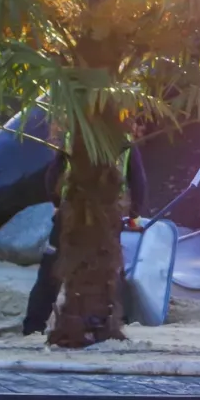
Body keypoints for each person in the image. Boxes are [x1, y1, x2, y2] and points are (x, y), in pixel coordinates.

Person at [21, 122, 149, 336]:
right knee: (109, 268)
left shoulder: (75, 134)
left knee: (52, 271)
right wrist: (134, 215)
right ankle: (111, 324)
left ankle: (33, 326)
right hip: (109, 217)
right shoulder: (123, 139)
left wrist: (58, 204)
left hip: (71, 214)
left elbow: (52, 176)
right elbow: (139, 181)